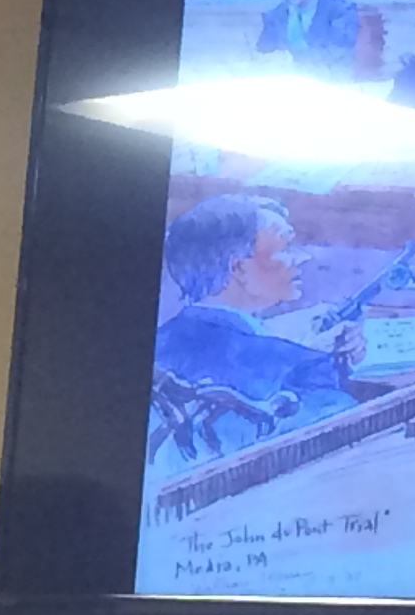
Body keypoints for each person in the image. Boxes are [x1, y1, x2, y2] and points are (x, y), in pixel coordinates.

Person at [151, 195, 357, 458]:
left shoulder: (157, 345)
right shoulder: (302, 367)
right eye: (286, 248)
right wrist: (330, 362)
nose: (303, 257)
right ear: (238, 267)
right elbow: (346, 437)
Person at [251, 0, 360, 74]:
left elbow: (340, 52)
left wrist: (293, 60)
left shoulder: (340, 11)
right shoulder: (274, 16)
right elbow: (263, 52)